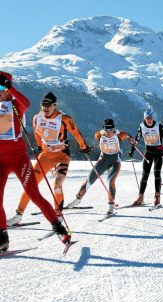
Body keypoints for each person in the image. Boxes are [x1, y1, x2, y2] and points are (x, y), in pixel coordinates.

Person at [0, 71, 70, 251]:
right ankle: (2, 236)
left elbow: (26, 103)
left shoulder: (15, 105)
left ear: (7, 88)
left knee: (33, 193)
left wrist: (10, 88)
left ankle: (58, 227)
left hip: (18, 158)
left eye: (1, 87)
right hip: (0, 160)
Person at [7, 92, 91, 226]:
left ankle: (58, 216)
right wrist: (40, 146)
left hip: (62, 155)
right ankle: (18, 215)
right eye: (43, 105)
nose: (45, 108)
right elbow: (36, 133)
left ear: (55, 106)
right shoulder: (36, 118)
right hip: (45, 155)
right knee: (30, 185)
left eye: (48, 105)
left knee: (57, 185)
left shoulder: (64, 119)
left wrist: (84, 147)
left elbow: (76, 132)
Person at [67, 119, 134, 214]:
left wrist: (132, 140)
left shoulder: (119, 135)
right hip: (103, 160)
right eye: (107, 130)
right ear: (104, 129)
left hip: (115, 161)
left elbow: (128, 135)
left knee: (110, 181)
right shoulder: (99, 135)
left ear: (114, 129)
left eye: (111, 130)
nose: (109, 132)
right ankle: (78, 199)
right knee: (89, 180)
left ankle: (111, 206)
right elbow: (96, 134)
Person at [129, 109, 163, 208]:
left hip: (158, 153)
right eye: (147, 118)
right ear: (145, 118)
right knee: (145, 175)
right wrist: (132, 150)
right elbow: (137, 139)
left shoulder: (159, 126)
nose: (149, 120)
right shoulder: (142, 126)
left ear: (153, 118)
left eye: (150, 118)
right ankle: (140, 197)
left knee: (157, 173)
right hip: (148, 152)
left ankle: (157, 197)